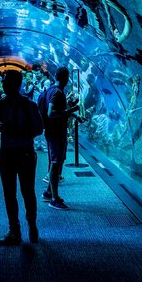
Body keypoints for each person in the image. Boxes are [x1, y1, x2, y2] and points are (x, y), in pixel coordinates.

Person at [0, 69, 44, 245]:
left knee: (20, 192)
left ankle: (25, 226)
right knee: (17, 192)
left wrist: (12, 129)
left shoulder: (24, 105)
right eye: (4, 81)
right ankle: (20, 228)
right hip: (16, 153)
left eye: (7, 81)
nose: (4, 84)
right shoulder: (6, 105)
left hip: (18, 153)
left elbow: (38, 129)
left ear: (16, 84)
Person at [40, 66, 82, 210]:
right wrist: (71, 110)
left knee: (55, 162)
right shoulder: (57, 93)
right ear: (64, 78)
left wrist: (73, 115)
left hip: (54, 132)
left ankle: (49, 192)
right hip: (55, 133)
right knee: (56, 163)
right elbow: (51, 113)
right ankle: (54, 199)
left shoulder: (51, 90)